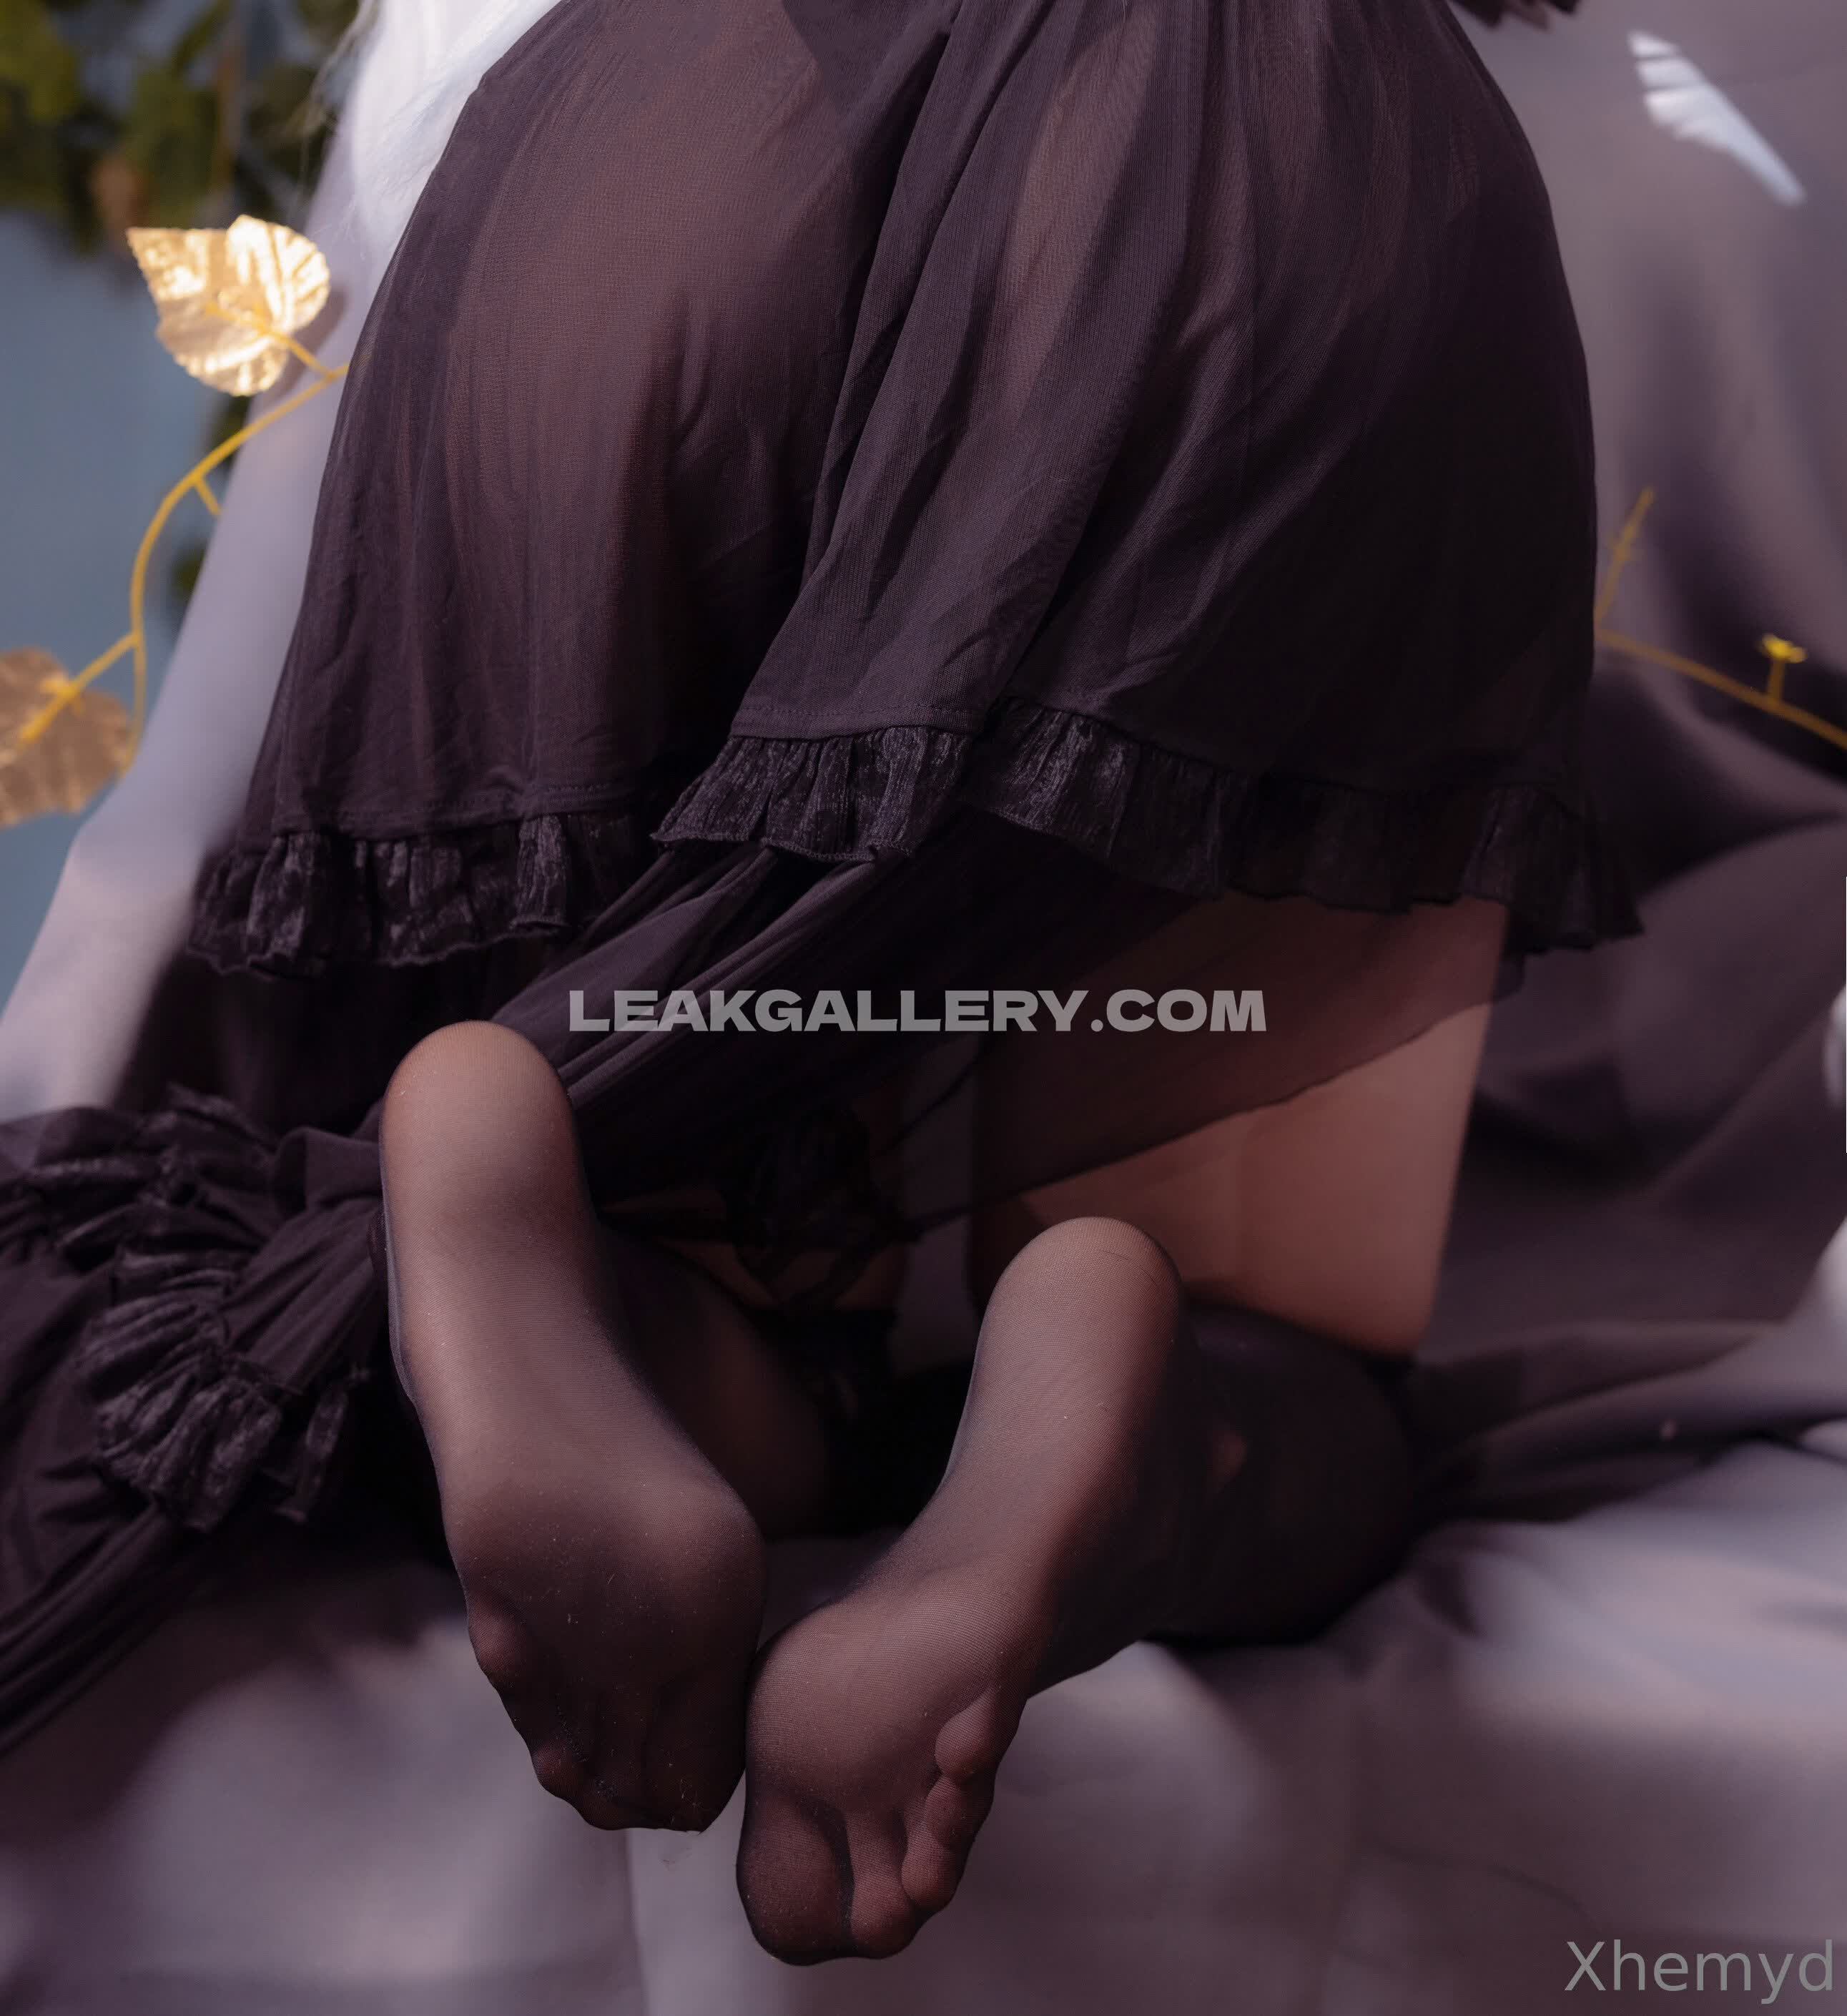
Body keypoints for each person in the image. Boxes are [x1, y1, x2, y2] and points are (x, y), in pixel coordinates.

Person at [0, 0, 1631, 1965]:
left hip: (671, 127)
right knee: (1296, 1345)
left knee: (712, 1246)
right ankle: (1150, 1415)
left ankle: (561, 1225)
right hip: (1312, 149)